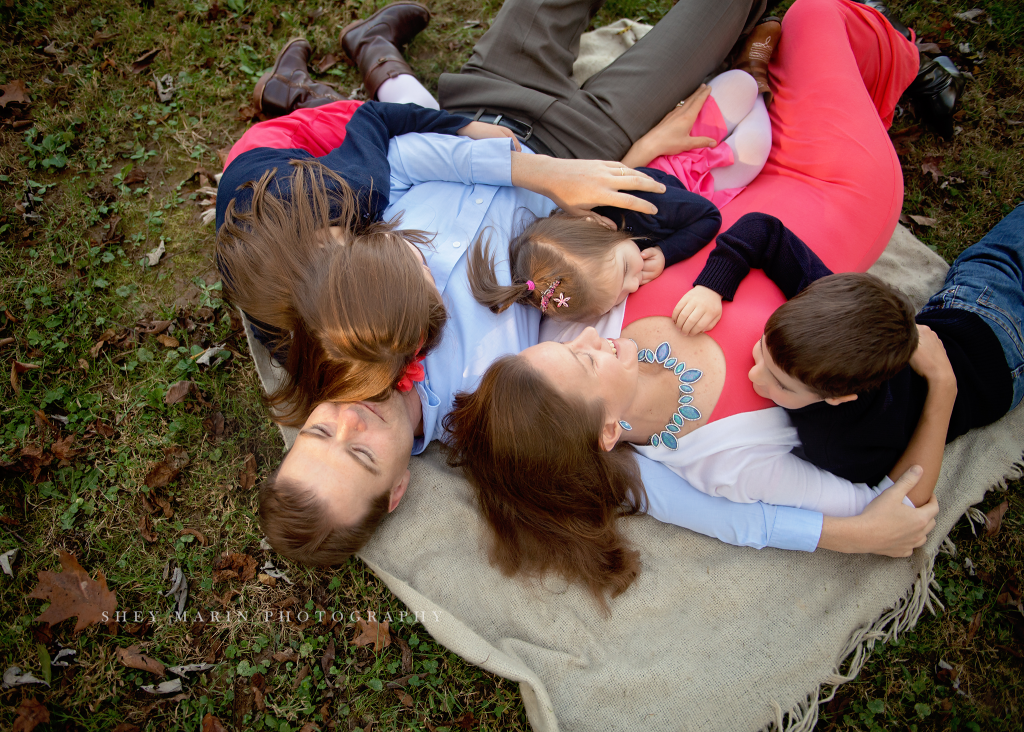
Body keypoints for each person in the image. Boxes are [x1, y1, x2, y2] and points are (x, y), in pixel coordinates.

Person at [231, 0, 937, 572]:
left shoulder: (325, 319)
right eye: (359, 453)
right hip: (589, 144)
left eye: (321, 429)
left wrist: (527, 170)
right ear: (397, 492)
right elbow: (659, 490)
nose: (352, 419)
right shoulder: (497, 407)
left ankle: (368, 55)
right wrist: (843, 535)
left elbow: (391, 153)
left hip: (485, 114)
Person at [441, 0, 951, 603]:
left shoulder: (572, 326)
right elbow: (892, 509)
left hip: (731, 166)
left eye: (557, 344)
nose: (576, 335)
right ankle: (903, 63)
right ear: (608, 433)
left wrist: (651, 146)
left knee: (791, 39)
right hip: (836, 188)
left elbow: (590, 227)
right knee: (818, 14)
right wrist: (940, 388)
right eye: (583, 360)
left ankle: (833, 80)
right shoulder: (725, 459)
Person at [699, 210, 1022, 503]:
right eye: (762, 347)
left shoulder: (841, 444)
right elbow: (762, 228)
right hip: (969, 308)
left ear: (839, 398)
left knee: (999, 257)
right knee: (999, 256)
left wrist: (944, 384)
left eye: (782, 385)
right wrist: (712, 287)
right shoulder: (814, 315)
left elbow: (903, 499)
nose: (755, 375)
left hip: (1001, 370)